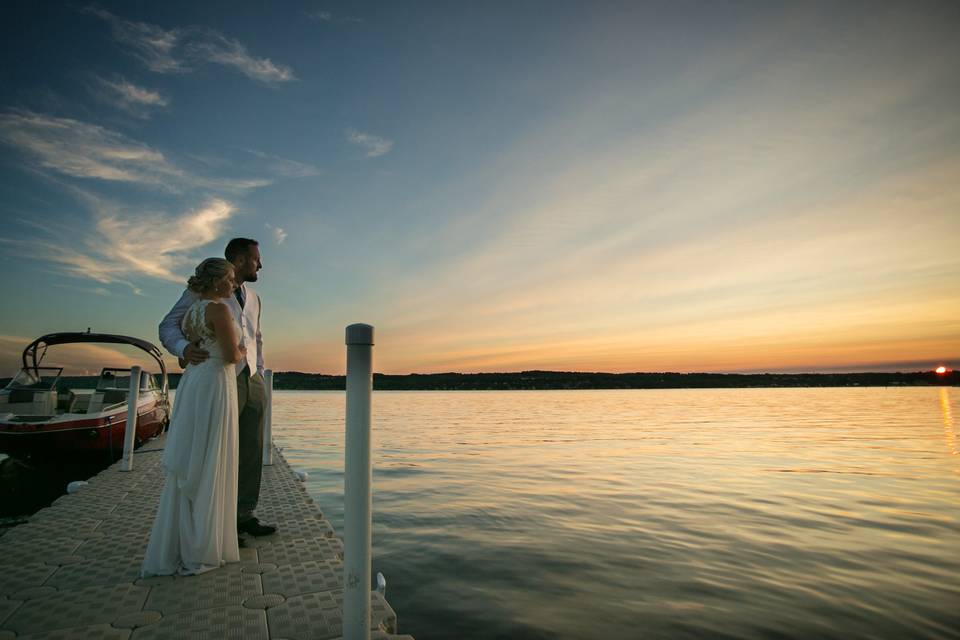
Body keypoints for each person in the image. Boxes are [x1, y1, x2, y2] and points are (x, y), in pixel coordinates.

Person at [158, 238, 276, 538]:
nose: (260, 264)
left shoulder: (255, 298)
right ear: (238, 259)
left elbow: (256, 337)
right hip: (218, 377)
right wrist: (184, 348)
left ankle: (243, 514)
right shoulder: (203, 290)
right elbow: (168, 325)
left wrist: (259, 370)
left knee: (251, 449)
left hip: (251, 378)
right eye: (255, 259)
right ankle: (214, 519)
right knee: (216, 448)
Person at [141, 258, 244, 576]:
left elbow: (199, 346)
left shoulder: (195, 314)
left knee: (196, 459)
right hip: (214, 382)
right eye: (229, 279)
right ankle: (203, 542)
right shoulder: (215, 307)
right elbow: (229, 354)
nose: (234, 284)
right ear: (216, 281)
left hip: (197, 382)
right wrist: (238, 350)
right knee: (210, 456)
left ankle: (193, 538)